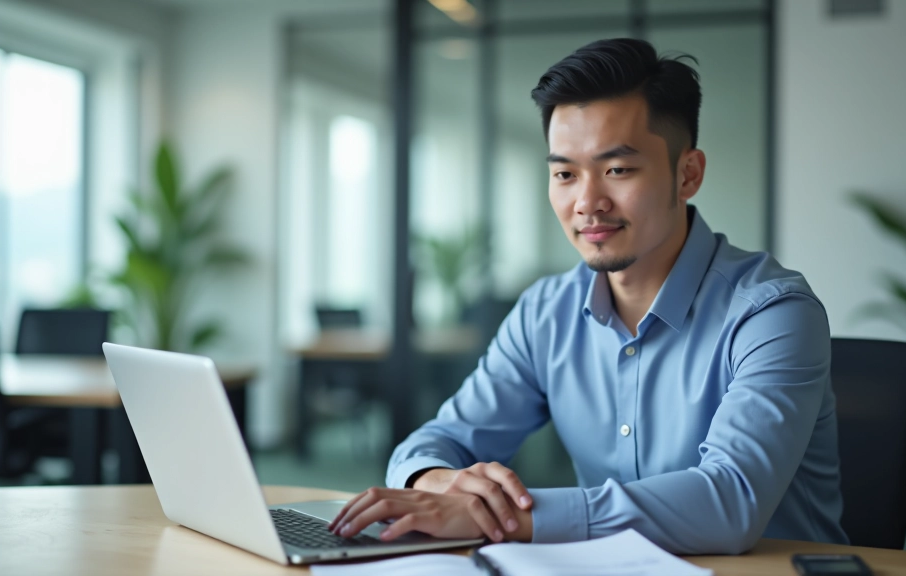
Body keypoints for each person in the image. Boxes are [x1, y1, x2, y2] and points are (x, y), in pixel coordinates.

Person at [327, 38, 849, 554]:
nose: (587, 202)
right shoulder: (545, 313)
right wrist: (434, 482)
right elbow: (439, 440)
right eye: (564, 174)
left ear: (687, 174)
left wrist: (504, 519)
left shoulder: (772, 314)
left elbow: (730, 502)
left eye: (617, 170)